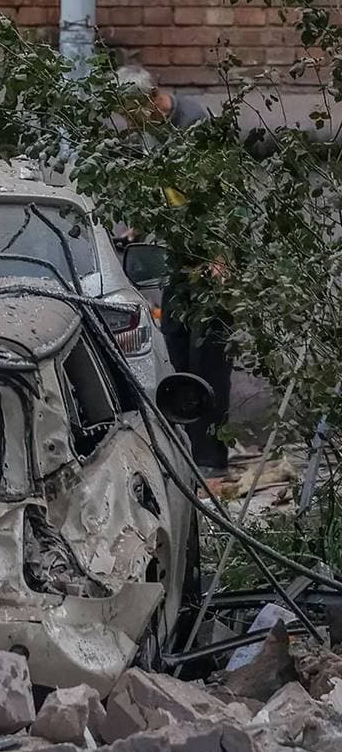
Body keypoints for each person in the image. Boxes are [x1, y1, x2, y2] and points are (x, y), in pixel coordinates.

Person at [119, 66, 233, 474]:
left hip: (213, 256)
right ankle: (188, 450)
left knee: (209, 357)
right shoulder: (150, 130)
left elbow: (219, 192)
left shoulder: (194, 123)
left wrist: (220, 254)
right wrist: (143, 225)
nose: (129, 122)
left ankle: (212, 457)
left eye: (132, 113)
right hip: (182, 253)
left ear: (153, 98)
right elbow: (161, 187)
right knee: (176, 341)